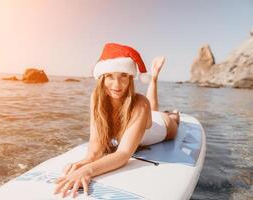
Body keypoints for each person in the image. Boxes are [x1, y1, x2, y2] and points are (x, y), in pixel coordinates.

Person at [53, 43, 180, 198]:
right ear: (101, 78)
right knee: (151, 110)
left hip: (162, 126)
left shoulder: (140, 103)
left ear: (130, 78)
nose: (117, 85)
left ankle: (164, 96)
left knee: (158, 113)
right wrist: (88, 159)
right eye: (110, 76)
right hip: (145, 118)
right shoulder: (97, 98)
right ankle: (154, 81)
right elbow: (96, 140)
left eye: (123, 76)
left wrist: (87, 170)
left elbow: (124, 153)